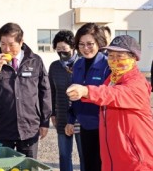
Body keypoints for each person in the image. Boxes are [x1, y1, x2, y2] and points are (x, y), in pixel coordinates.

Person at [66, 35, 153, 171]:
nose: (114, 60)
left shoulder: (137, 83)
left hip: (136, 161)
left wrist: (86, 91)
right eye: (111, 55)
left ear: (133, 58)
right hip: (112, 159)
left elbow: (113, 94)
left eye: (120, 56)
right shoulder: (112, 80)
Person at [0, 22, 52, 158]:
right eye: (3, 44)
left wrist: (44, 122)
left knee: (28, 166)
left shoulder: (35, 61)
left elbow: (45, 92)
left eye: (11, 44)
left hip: (29, 127)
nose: (6, 49)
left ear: (21, 42)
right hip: (2, 127)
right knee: (4, 165)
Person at [65, 23, 111, 171]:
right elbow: (73, 96)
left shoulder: (107, 65)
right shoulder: (78, 64)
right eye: (81, 44)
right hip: (85, 126)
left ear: (99, 43)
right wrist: (71, 120)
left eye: (90, 44)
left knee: (104, 165)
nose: (85, 48)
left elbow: (110, 95)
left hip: (104, 128)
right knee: (88, 164)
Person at [48, 30, 84, 171]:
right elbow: (51, 91)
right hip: (62, 116)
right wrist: (52, 113)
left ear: (73, 47)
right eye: (58, 50)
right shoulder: (54, 67)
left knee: (84, 154)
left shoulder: (82, 64)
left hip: (81, 117)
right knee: (64, 155)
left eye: (64, 49)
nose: (61, 53)